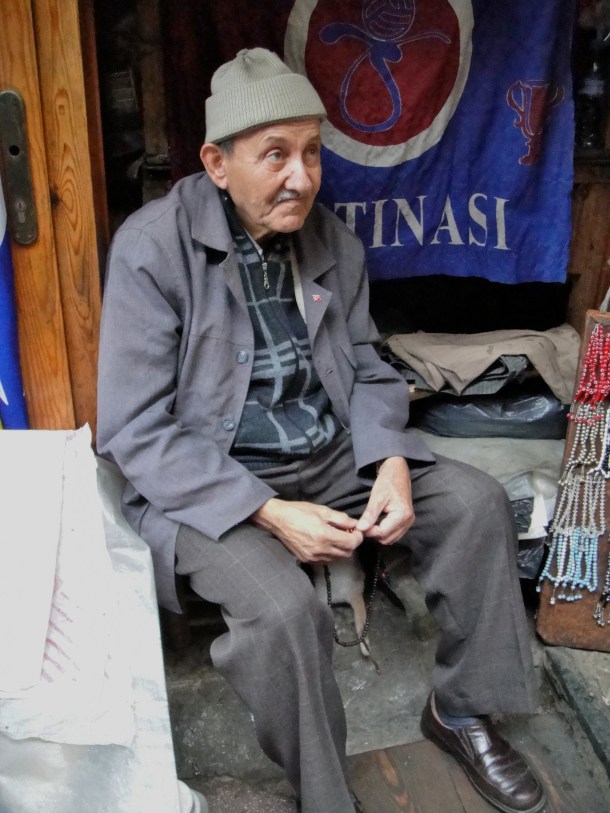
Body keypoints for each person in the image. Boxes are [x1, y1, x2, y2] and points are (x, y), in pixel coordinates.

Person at [97, 47, 546, 813]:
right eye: (275, 154)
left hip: (329, 453)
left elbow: (370, 367)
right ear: (216, 161)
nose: (301, 176)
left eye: (310, 152)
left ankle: (460, 710)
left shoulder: (331, 241)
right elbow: (133, 428)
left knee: (471, 504)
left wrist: (392, 461)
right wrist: (267, 511)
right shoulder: (153, 247)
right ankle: (325, 793)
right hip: (211, 479)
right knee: (280, 611)